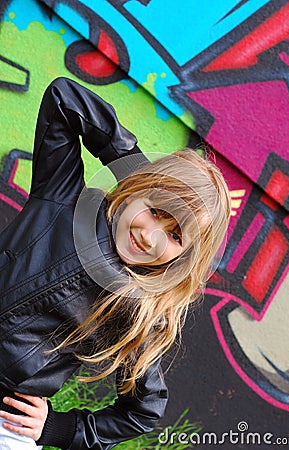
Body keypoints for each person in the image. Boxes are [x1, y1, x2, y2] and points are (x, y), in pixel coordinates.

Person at [0, 77, 231, 449]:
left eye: (175, 236)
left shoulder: (137, 307)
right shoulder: (62, 197)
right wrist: (132, 166)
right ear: (137, 188)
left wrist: (59, 429)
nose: (151, 237)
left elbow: (143, 410)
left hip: (6, 415)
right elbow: (64, 97)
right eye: (155, 210)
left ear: (184, 257)